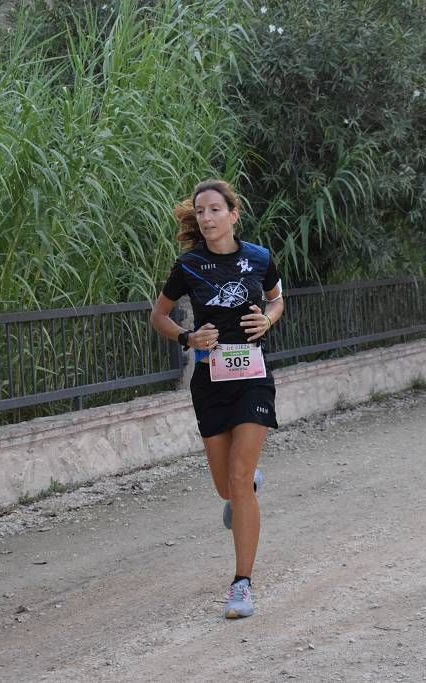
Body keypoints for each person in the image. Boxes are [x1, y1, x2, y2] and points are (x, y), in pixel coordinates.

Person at [149, 179, 284, 619]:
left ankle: (242, 585)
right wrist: (189, 336)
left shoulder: (259, 258)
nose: (206, 218)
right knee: (225, 487)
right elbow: (159, 316)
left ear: (233, 213)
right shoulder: (188, 265)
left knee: (240, 480)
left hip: (253, 379)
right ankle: (245, 486)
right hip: (210, 380)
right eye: (200, 211)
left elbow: (278, 298)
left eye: (213, 210)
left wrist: (267, 318)